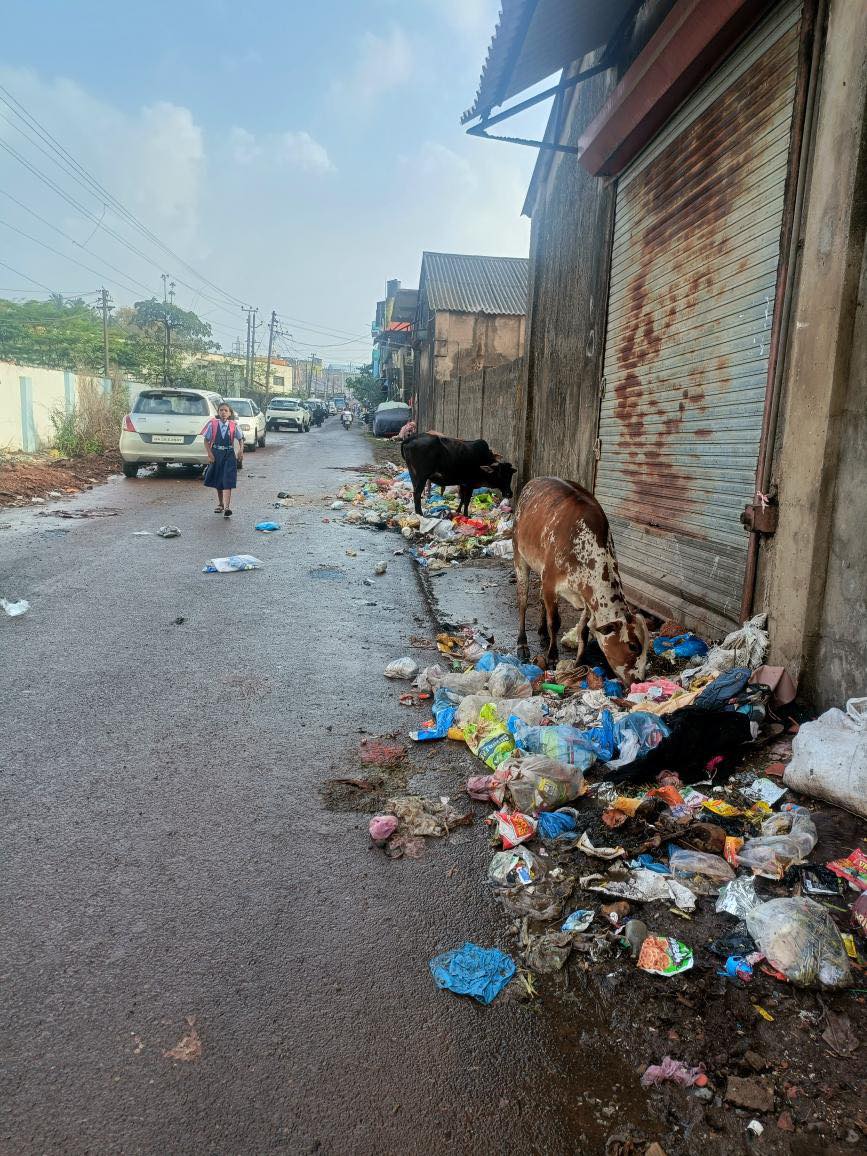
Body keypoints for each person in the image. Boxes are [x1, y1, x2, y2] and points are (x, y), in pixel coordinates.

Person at [203, 403, 244, 517]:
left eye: (226, 410)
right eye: (221, 410)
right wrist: (210, 454)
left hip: (229, 454)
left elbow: (240, 439)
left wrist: (241, 450)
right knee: (218, 478)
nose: (223, 412)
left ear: (230, 413)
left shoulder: (234, 425)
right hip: (216, 453)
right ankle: (220, 504)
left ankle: (227, 507)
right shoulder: (213, 424)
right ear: (218, 412)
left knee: (228, 479)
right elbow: (206, 440)